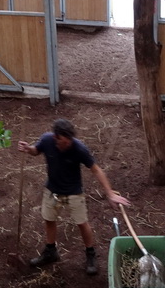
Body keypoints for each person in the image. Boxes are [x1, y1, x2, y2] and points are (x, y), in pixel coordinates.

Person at [17, 118, 130, 275]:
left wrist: (110, 193)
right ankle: (51, 251)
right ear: (56, 137)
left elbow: (96, 170)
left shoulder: (79, 148)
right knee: (49, 219)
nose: (68, 143)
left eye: (70, 140)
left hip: (73, 192)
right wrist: (28, 149)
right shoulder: (47, 140)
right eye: (65, 140)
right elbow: (37, 151)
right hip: (52, 189)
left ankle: (90, 254)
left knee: (82, 223)